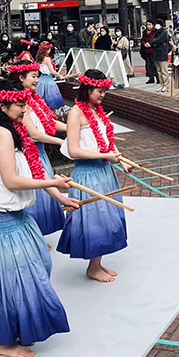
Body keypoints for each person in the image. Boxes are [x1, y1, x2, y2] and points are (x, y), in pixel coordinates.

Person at [0, 81, 74, 357]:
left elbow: (35, 172)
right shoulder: (0, 134)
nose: (25, 109)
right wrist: (53, 183)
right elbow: (12, 181)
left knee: (39, 264)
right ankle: (4, 341)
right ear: (2, 106)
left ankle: (14, 327)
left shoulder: (12, 132)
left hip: (17, 218)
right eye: (20, 104)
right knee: (13, 280)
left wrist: (59, 197)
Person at [58, 71, 130, 283]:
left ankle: (97, 263)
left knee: (107, 216)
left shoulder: (96, 110)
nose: (103, 95)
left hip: (104, 170)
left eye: (105, 91)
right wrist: (105, 155)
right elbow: (74, 150)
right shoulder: (75, 113)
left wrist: (122, 161)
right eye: (100, 91)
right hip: (87, 172)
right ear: (88, 89)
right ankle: (93, 267)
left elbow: (107, 142)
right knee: (95, 219)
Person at [11, 62, 72, 238]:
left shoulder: (34, 100)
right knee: (36, 198)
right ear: (21, 78)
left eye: (38, 76)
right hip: (30, 153)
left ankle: (37, 235)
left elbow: (49, 123)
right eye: (33, 76)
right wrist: (60, 142)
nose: (37, 80)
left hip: (41, 153)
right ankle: (32, 235)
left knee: (45, 195)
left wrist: (73, 128)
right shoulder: (21, 105)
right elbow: (34, 134)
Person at [151, 20, 171, 92]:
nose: (156, 26)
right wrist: (153, 41)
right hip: (156, 53)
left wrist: (153, 42)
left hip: (162, 53)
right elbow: (152, 40)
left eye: (158, 24)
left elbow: (158, 40)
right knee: (159, 71)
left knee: (164, 71)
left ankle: (166, 85)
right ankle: (162, 85)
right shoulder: (156, 32)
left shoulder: (164, 32)